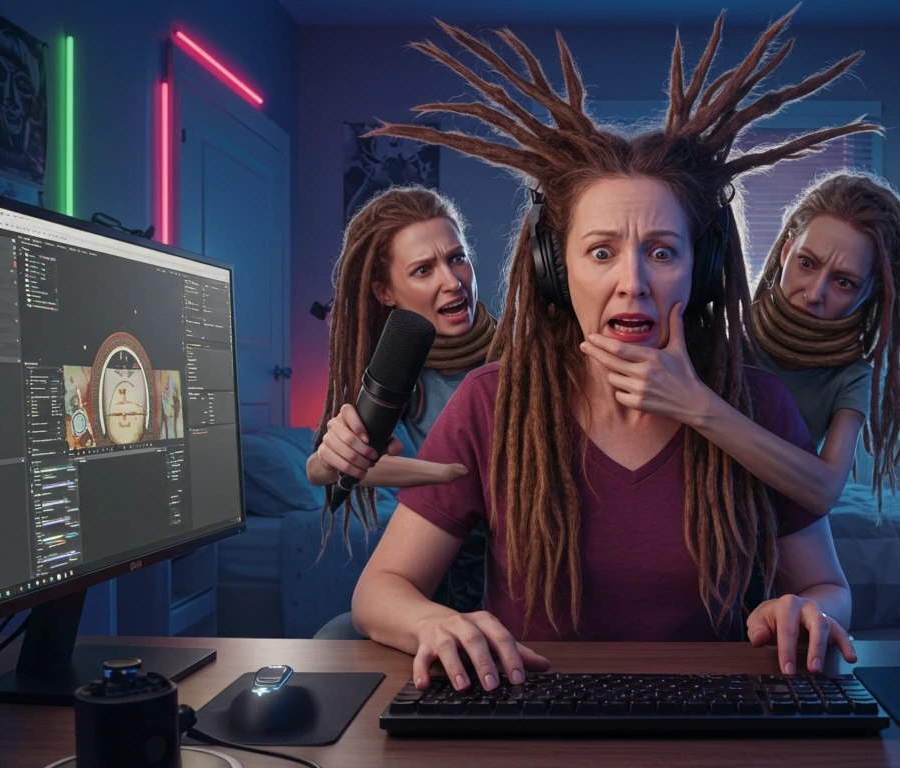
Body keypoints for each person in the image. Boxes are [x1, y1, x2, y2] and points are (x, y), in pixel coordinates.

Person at [351, 11, 872, 692]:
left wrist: (807, 609)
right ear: (554, 270)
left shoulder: (760, 405)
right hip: (529, 718)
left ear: (701, 270)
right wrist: (429, 623)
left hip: (708, 723)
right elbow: (379, 591)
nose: (632, 282)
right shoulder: (490, 403)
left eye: (662, 251)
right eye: (601, 252)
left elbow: (830, 587)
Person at [584, 172, 900, 516]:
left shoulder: (853, 378)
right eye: (806, 263)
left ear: (872, 292)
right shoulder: (719, 335)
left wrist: (697, 406)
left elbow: (823, 491)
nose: (814, 293)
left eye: (844, 282)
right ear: (785, 251)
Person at [308, 186, 497, 610]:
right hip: (433, 589)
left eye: (457, 258)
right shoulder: (391, 374)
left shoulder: (522, 359)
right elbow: (319, 473)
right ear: (385, 292)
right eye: (423, 270)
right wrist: (332, 456)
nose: (452, 282)